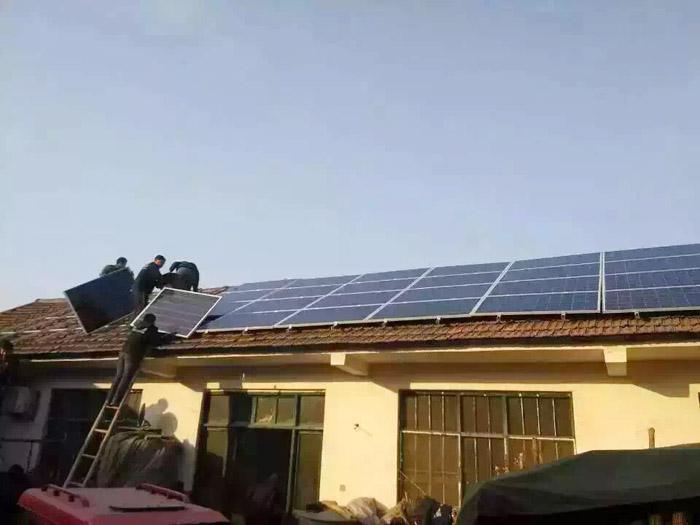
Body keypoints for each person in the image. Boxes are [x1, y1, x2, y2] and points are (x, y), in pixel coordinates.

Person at [105, 313, 175, 406]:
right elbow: (156, 342)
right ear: (153, 321)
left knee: (118, 376)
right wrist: (170, 337)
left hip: (123, 352)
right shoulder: (151, 329)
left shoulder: (136, 325)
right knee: (126, 377)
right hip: (133, 354)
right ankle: (116, 401)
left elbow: (144, 338)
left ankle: (108, 400)